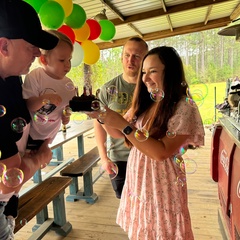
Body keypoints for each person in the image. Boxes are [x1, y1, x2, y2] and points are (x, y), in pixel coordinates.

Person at [89, 46, 205, 239]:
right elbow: (119, 133)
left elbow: (161, 152)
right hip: (139, 181)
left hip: (163, 186)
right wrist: (101, 115)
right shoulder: (147, 102)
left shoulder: (184, 107)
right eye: (144, 72)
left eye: (153, 71)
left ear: (170, 73)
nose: (145, 78)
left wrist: (123, 125)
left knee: (163, 233)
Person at [0, 0, 59, 239]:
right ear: (4, 46)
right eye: (30, 46)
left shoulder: (12, 78)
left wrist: (43, 104)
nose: (37, 52)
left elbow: (18, 117)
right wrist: (39, 161)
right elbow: (8, 180)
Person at [94, 37, 148, 199]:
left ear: (145, 59)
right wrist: (104, 158)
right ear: (121, 57)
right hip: (119, 158)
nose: (130, 60)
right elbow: (98, 125)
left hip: (147, 156)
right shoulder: (108, 88)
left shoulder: (151, 87)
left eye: (137, 56)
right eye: (127, 55)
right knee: (125, 206)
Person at [22, 30, 75, 150]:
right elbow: (29, 104)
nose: (67, 65)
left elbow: (64, 108)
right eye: (62, 60)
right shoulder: (35, 76)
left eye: (69, 60)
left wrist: (65, 116)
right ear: (44, 60)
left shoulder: (68, 84)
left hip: (49, 136)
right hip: (30, 135)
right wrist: (44, 99)